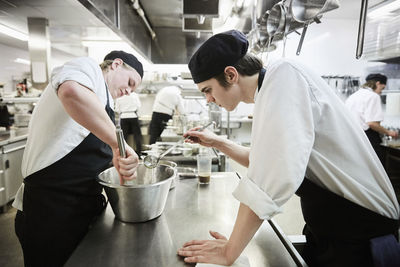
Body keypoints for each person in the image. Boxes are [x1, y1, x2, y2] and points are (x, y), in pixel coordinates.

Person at [177, 30, 400, 266]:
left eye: (207, 90)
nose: (208, 100)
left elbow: (268, 179)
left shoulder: (283, 75)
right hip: (334, 230)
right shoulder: (268, 91)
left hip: (364, 237)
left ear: (231, 74)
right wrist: (218, 142)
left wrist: (230, 250)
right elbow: (265, 160)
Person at [12, 50, 143, 267]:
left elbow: (82, 151)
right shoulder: (88, 67)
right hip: (50, 213)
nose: (129, 91)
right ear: (116, 65)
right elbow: (71, 92)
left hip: (78, 211)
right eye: (130, 82)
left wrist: (115, 161)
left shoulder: (103, 101)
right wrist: (116, 144)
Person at [345, 73, 399, 164]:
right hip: (367, 137)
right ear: (377, 83)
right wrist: (389, 132)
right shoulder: (373, 96)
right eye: (382, 88)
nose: (381, 92)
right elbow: (372, 123)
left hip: (352, 136)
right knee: (377, 166)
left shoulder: (353, 96)